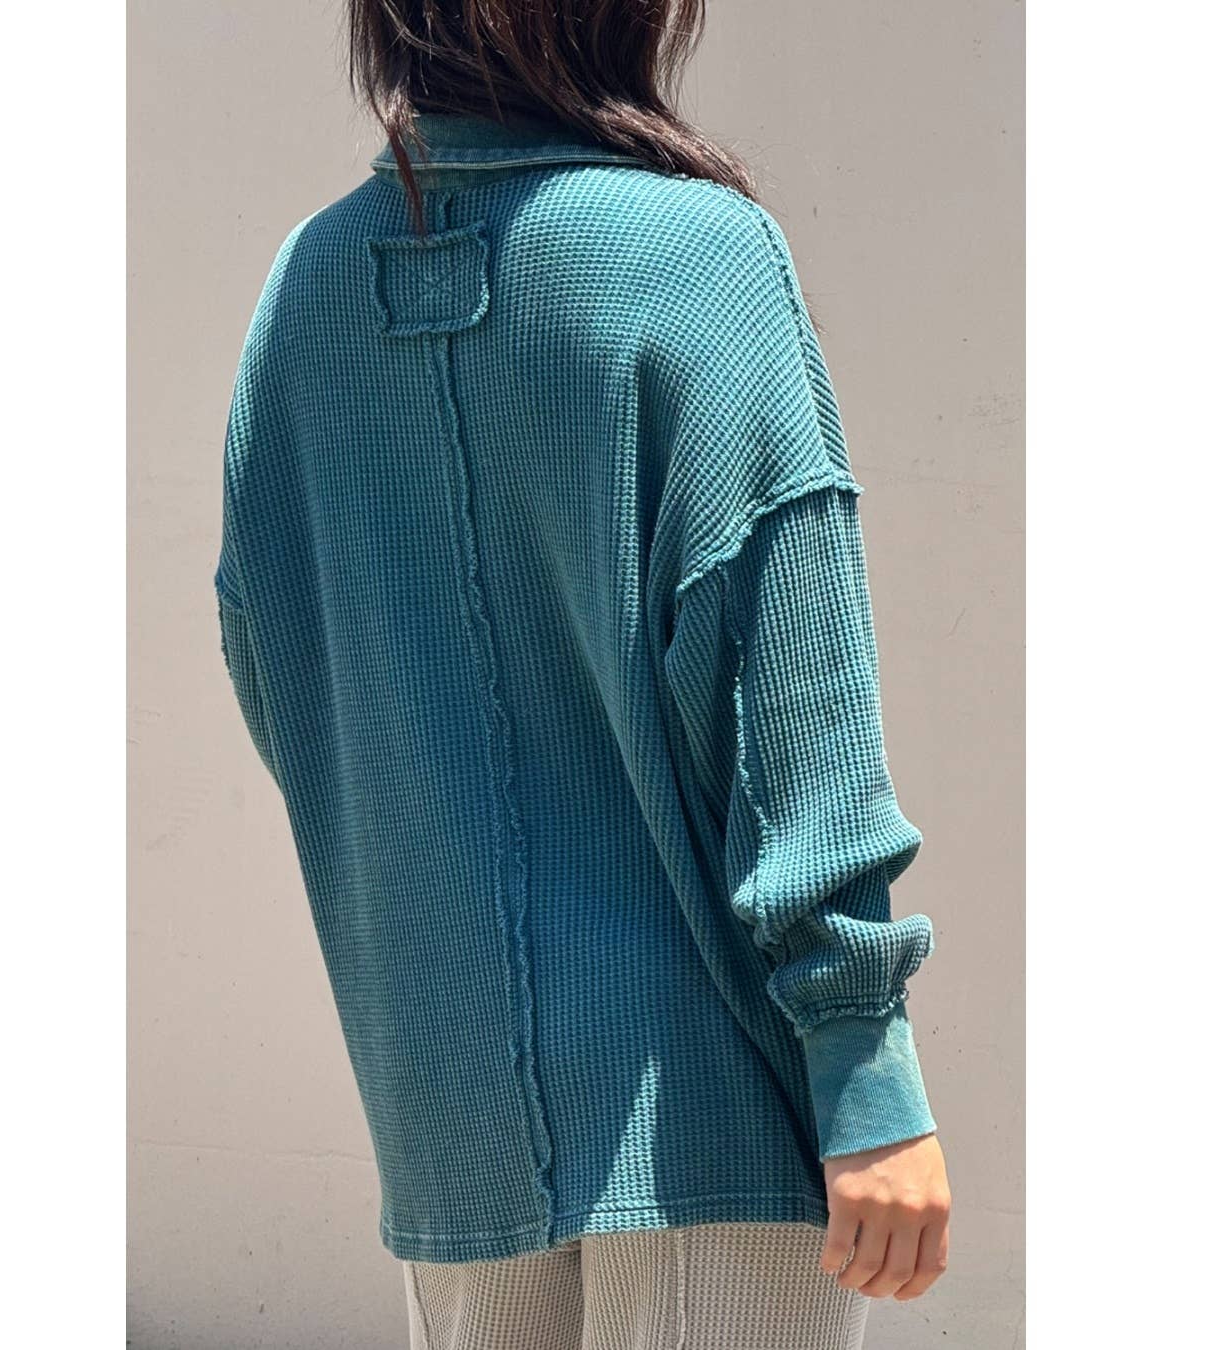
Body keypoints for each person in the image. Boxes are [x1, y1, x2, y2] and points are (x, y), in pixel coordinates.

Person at [213, 2, 952, 1345]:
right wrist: (862, 1064)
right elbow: (789, 685)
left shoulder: (307, 287)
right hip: (706, 1111)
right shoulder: (696, 255)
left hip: (448, 1118)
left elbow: (281, 675)